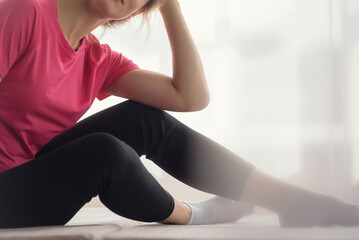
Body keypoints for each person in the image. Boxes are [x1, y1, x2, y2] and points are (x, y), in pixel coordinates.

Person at [0, 0, 358, 229]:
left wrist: (170, 5)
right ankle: (194, 214)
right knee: (106, 153)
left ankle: (292, 201)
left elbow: (190, 97)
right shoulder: (24, 11)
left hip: (26, 180)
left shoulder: (98, 60)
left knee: (142, 119)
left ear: (139, 10)